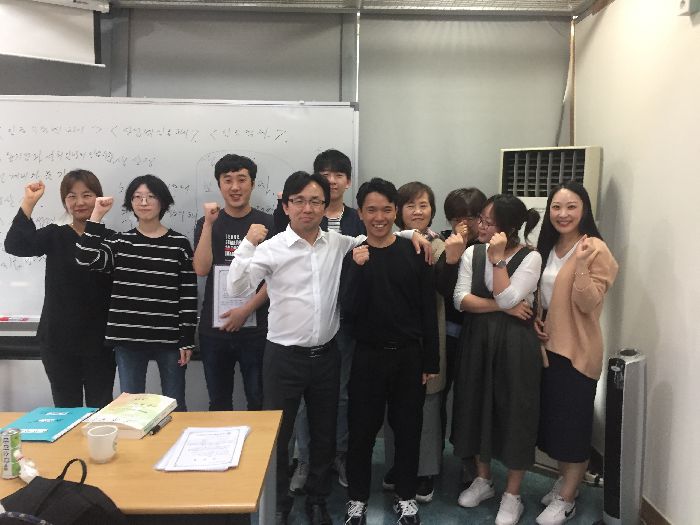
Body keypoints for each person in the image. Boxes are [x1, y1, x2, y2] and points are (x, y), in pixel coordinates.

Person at [227, 171, 428, 525]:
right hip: (283, 357)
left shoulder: (338, 243)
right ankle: (278, 502)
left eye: (315, 201)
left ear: (325, 206)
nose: (307, 208)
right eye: (299, 201)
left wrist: (412, 235)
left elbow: (378, 234)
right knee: (278, 435)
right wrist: (248, 243)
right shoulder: (271, 247)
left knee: (325, 434)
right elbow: (237, 287)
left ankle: (318, 499)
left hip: (325, 356)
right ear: (286, 206)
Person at [341, 178, 439, 525]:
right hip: (368, 357)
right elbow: (347, 311)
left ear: (395, 211)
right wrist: (357, 269)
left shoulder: (415, 251)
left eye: (386, 209)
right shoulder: (354, 255)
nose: (379, 217)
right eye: (371, 210)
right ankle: (357, 500)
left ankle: (406, 497)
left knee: (408, 430)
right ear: (360, 213)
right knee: (361, 432)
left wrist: (430, 360)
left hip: (409, 357)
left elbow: (428, 310)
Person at [276, 149, 365, 493]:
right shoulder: (299, 215)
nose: (332, 180)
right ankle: (306, 458)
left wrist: (412, 234)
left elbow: (380, 240)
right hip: (303, 324)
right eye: (325, 174)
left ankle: (336, 455)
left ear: (348, 181)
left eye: (338, 174)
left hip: (346, 321)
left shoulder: (358, 219)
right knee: (302, 398)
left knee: (340, 394)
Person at [451, 194, 542, 525]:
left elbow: (507, 295)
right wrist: (504, 308)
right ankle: (483, 479)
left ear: (509, 228)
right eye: (481, 219)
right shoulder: (472, 252)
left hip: (515, 345)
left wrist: (498, 260)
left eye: (488, 222)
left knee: (516, 412)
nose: (480, 226)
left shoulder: (531, 257)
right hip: (477, 340)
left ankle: (512, 495)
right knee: (475, 405)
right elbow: (461, 299)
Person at [533, 182, 618, 525]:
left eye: (571, 206)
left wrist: (581, 264)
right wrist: (537, 321)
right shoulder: (548, 246)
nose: (563, 214)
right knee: (555, 425)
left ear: (584, 210)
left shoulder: (594, 248)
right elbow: (542, 295)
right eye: (556, 207)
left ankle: (567, 497)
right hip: (547, 350)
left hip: (577, 353)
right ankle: (565, 482)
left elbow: (588, 302)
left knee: (573, 428)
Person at [76, 174, 197, 412]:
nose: (144, 202)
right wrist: (96, 215)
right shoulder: (120, 242)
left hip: (170, 339)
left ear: (163, 202)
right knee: (131, 408)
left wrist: (187, 339)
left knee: (175, 405)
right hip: (128, 339)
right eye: (137, 197)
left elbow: (188, 295)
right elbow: (85, 258)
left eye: (151, 196)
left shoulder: (179, 244)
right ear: (130, 203)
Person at [4, 171, 114, 408]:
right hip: (58, 339)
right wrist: (28, 203)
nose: (79, 202)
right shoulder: (55, 234)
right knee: (65, 408)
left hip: (100, 340)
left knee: (101, 407)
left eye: (87, 195)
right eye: (72, 196)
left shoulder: (111, 239)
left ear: (99, 198)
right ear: (65, 201)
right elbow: (15, 245)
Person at [193, 154, 274, 411]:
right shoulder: (206, 223)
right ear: (219, 185)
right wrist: (208, 224)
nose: (235, 187)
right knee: (218, 403)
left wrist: (245, 310)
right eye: (228, 180)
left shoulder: (269, 223)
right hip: (214, 330)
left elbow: (276, 278)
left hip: (257, 329)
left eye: (242, 179)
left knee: (258, 400)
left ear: (253, 183)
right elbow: (201, 269)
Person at [382, 181, 445, 504]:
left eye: (423, 205)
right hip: (395, 338)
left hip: (430, 332)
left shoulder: (441, 246)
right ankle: (397, 464)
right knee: (395, 404)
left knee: (428, 401)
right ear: (398, 211)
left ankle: (425, 470)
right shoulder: (389, 242)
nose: (417, 211)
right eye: (410, 205)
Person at [434, 187, 486, 487]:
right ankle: (434, 457)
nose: (463, 225)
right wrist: (452, 257)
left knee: (471, 400)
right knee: (438, 398)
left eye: (471, 217)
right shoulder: (442, 242)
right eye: (456, 218)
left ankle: (470, 462)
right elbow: (442, 289)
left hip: (478, 335)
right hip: (447, 337)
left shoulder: (491, 244)